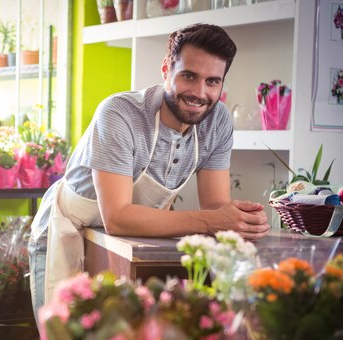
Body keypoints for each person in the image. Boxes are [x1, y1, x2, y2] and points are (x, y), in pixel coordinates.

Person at [28, 23, 270, 314]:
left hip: (124, 245)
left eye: (212, 81)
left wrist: (239, 221)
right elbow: (118, 217)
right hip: (64, 231)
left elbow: (215, 207)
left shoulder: (217, 122)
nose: (199, 92)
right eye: (189, 76)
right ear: (166, 69)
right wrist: (213, 221)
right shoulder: (120, 113)